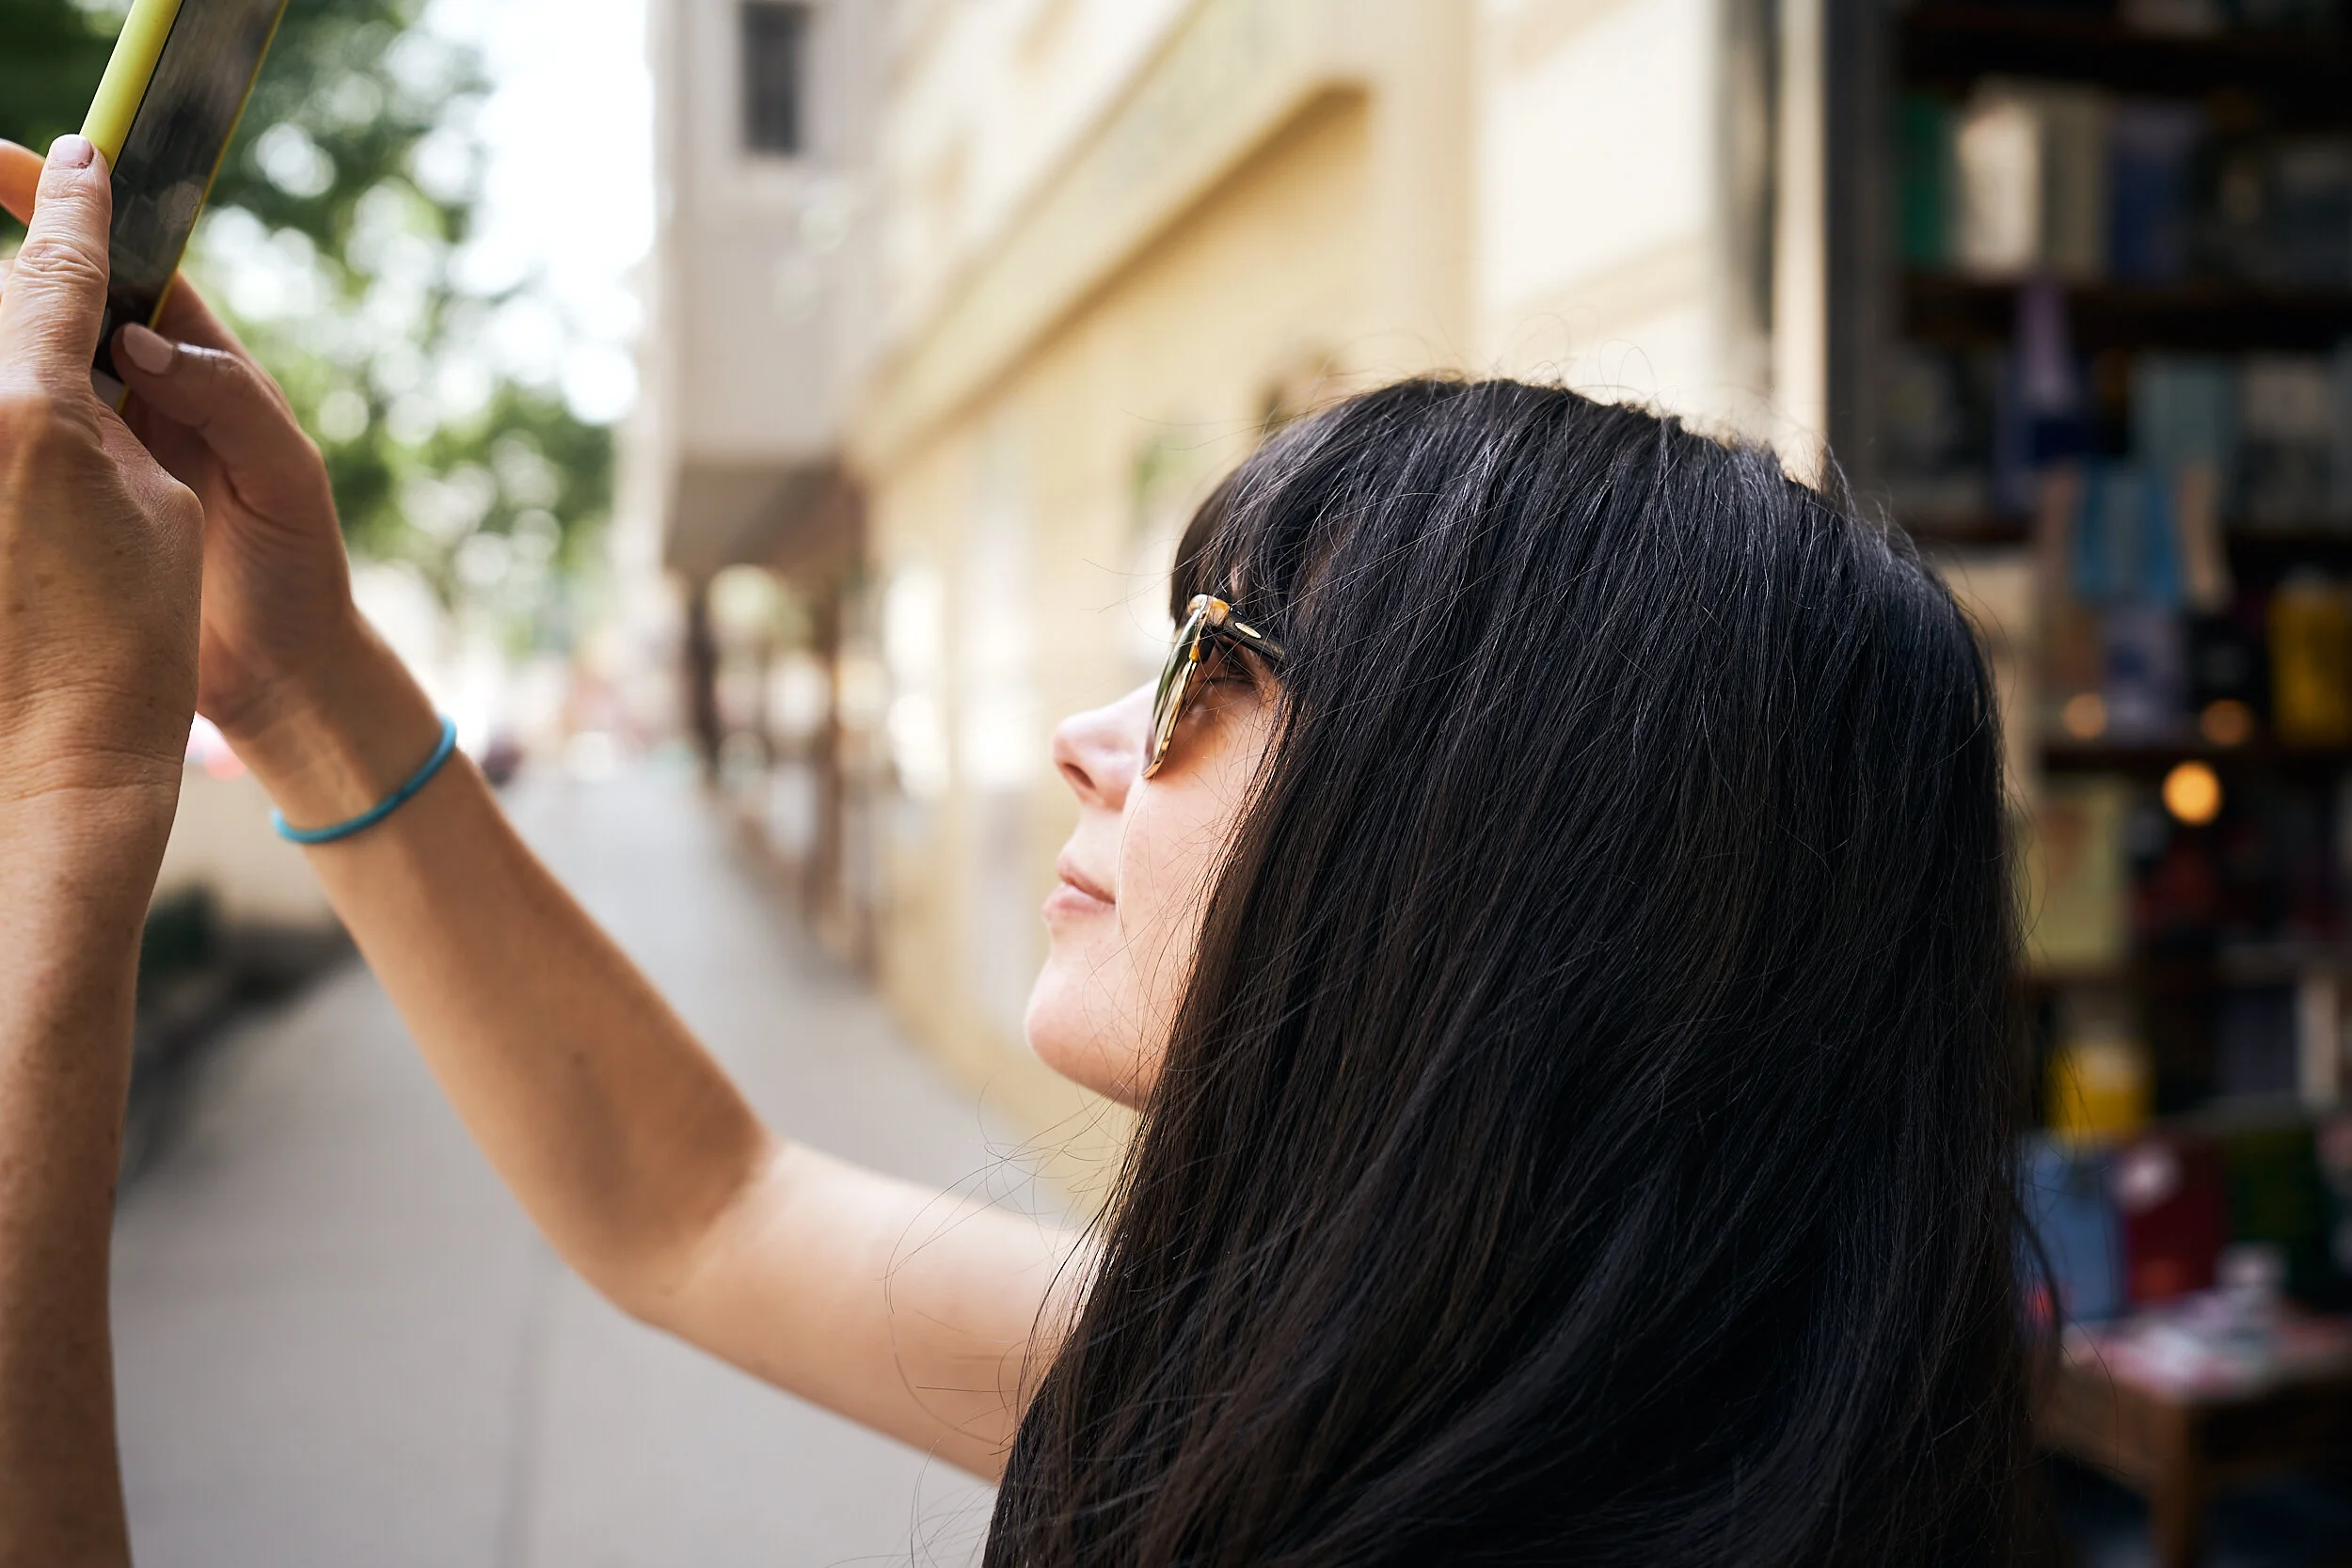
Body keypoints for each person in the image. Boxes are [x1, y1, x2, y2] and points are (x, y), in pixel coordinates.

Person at [0, 133, 2042, 1566]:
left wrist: (71, 790)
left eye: (1216, 668)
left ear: (1520, 866)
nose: (1089, 739)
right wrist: (294, 674)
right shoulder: (1366, 1397)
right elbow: (690, 1202)